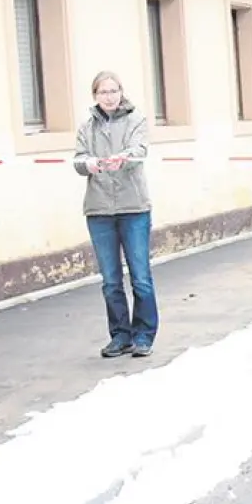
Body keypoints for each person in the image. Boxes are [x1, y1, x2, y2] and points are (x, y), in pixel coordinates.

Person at [73, 70, 157, 359]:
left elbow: (140, 150)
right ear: (95, 96)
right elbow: (78, 159)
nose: (108, 97)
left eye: (113, 91)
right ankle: (120, 336)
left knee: (140, 277)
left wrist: (124, 158)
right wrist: (89, 164)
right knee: (110, 280)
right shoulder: (87, 127)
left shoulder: (136, 120)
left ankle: (143, 336)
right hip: (99, 210)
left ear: (121, 92)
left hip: (133, 208)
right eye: (103, 92)